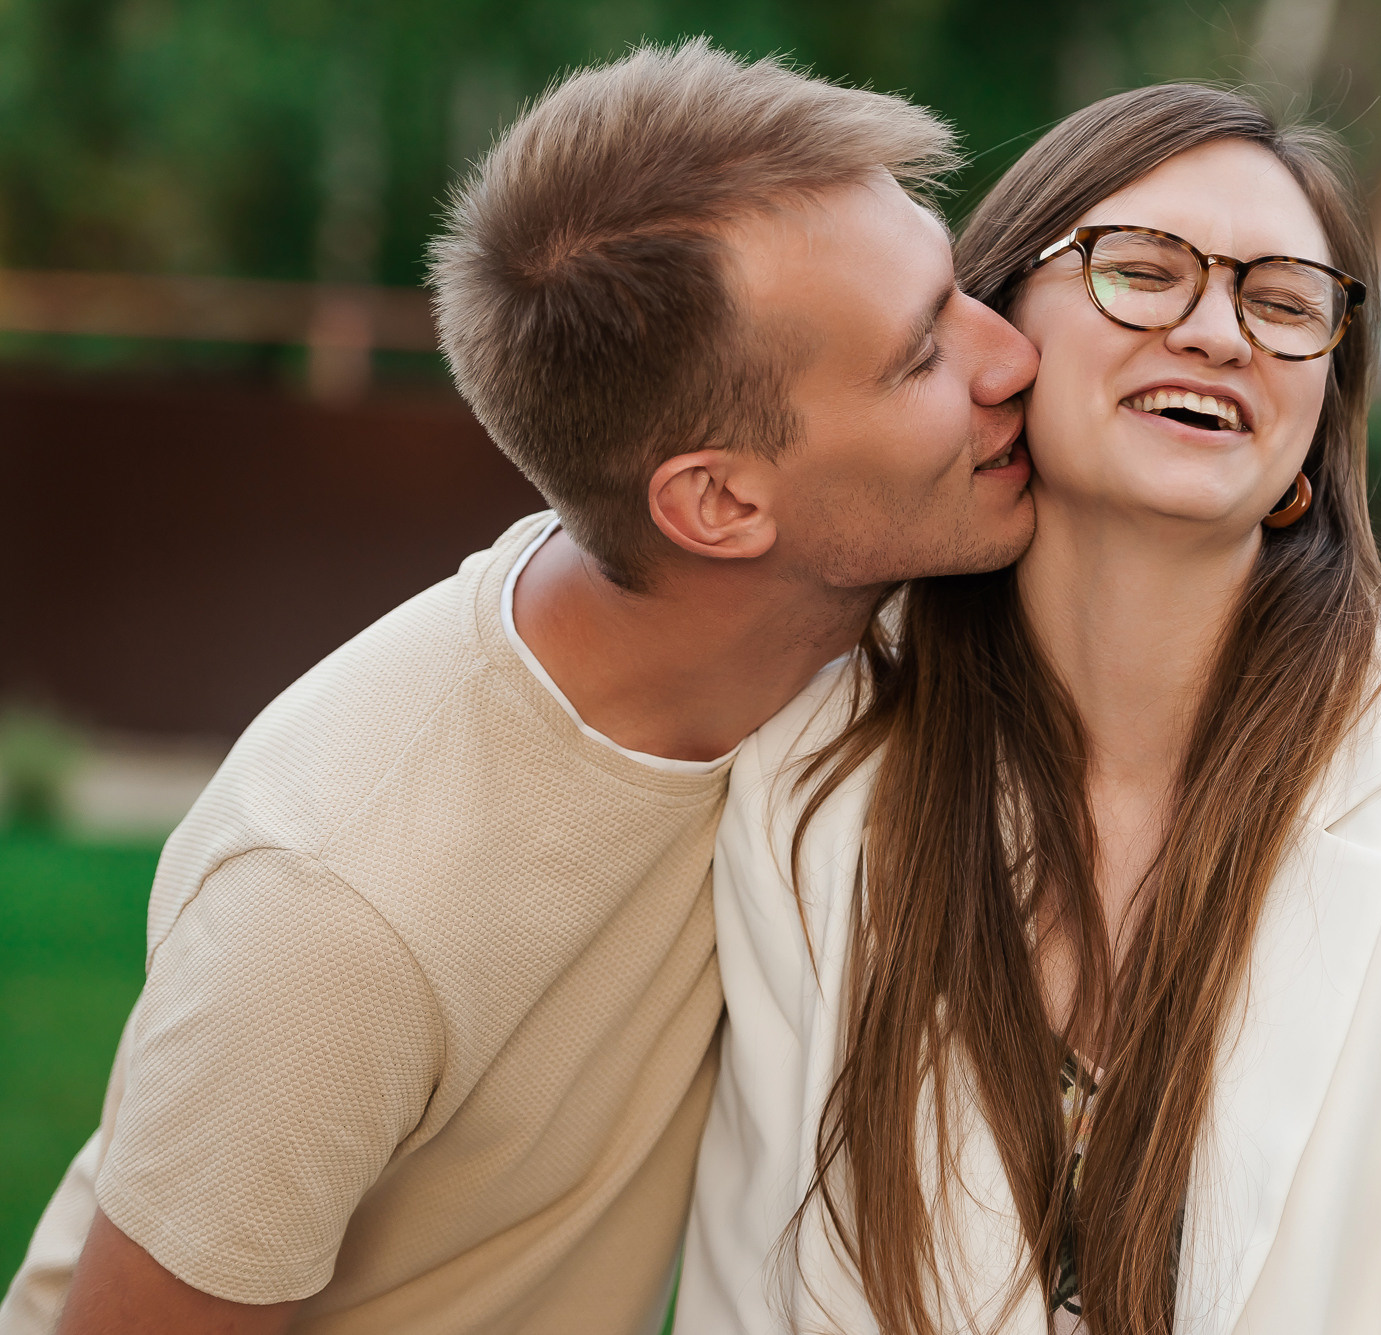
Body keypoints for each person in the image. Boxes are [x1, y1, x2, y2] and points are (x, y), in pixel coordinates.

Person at [0, 38, 1035, 1335]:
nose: (1012, 357)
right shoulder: (337, 906)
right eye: (922, 354)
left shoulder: (836, 628)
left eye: (960, 290)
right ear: (719, 503)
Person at [679, 83, 1381, 1335]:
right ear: (998, 333)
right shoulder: (807, 772)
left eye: (1284, 303)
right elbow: (750, 1301)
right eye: (1141, 270)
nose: (1219, 332)